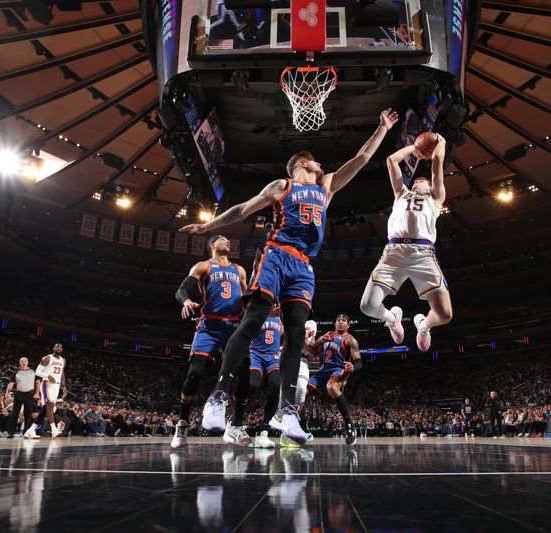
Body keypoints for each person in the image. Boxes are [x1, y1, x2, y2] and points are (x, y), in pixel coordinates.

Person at [182, 109, 399, 445]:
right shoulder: (283, 185)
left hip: (303, 266)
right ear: (302, 165)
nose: (321, 165)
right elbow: (243, 209)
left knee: (296, 336)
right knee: (253, 320)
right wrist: (209, 226)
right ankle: (218, 397)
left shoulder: (327, 187)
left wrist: (382, 128)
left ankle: (288, 412)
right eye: (314, 162)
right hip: (276, 254)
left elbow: (362, 157)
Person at [359, 134, 451, 351]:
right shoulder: (401, 194)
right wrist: (415, 148)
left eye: (423, 180)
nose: (418, 181)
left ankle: (424, 325)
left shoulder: (436, 198)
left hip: (423, 253)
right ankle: (392, 319)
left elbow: (437, 164)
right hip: (393, 252)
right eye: (416, 180)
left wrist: (441, 141)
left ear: (429, 187)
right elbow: (391, 160)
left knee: (445, 314)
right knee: (367, 306)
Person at [171, 235, 248, 448]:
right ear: (212, 245)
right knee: (195, 373)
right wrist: (187, 301)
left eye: (229, 239)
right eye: (223, 239)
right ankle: (182, 424)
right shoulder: (204, 266)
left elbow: (247, 297)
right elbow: (181, 290)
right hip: (209, 326)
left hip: (233, 327)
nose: (228, 241)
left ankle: (236, 425)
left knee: (243, 375)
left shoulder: (240, 270)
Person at [304, 314, 362, 445]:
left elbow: (359, 361)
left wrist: (353, 366)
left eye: (344, 321)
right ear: (335, 323)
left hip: (339, 369)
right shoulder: (327, 335)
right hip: (323, 370)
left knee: (332, 387)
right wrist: (309, 339)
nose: (341, 322)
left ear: (348, 325)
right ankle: (302, 428)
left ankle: (349, 425)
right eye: (338, 320)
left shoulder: (350, 340)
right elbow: (313, 352)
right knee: (301, 395)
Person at [249, 305, 283, 448]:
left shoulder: (281, 319)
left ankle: (264, 431)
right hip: (255, 353)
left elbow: (282, 335)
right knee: (253, 385)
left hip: (272, 357)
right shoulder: (258, 312)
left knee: (276, 385)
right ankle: (235, 421)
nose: (276, 305)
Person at [25, 343, 67, 439]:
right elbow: (38, 371)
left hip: (56, 386)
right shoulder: (47, 358)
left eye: (60, 347)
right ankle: (54, 430)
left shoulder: (63, 360)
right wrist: (47, 375)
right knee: (50, 405)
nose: (59, 348)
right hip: (46, 384)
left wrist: (64, 387)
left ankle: (30, 430)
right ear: (53, 348)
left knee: (45, 410)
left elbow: (62, 374)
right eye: (57, 346)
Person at [6, 356, 37, 438]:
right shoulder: (16, 372)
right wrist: (7, 392)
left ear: (27, 362)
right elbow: (11, 383)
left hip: (29, 394)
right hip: (18, 394)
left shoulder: (33, 371)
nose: (23, 362)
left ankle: (25, 432)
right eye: (22, 361)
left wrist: (38, 393)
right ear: (19, 363)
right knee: (14, 413)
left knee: (28, 414)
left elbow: (38, 382)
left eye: (25, 361)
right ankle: (11, 432)